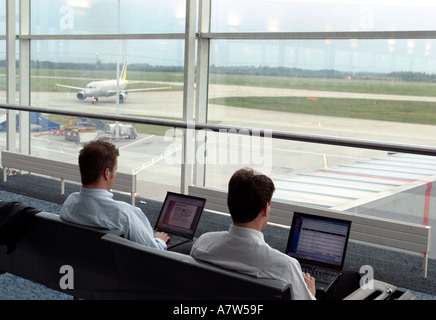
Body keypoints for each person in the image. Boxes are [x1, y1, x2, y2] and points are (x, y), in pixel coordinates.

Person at [190, 167, 360, 300]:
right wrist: (311, 293)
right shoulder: (284, 266)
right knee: (350, 278)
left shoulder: (203, 243)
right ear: (265, 208)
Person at [60, 140, 169, 250]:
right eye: (115, 170)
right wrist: (159, 240)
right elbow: (153, 252)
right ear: (107, 173)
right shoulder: (124, 214)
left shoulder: (70, 203)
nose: (115, 174)